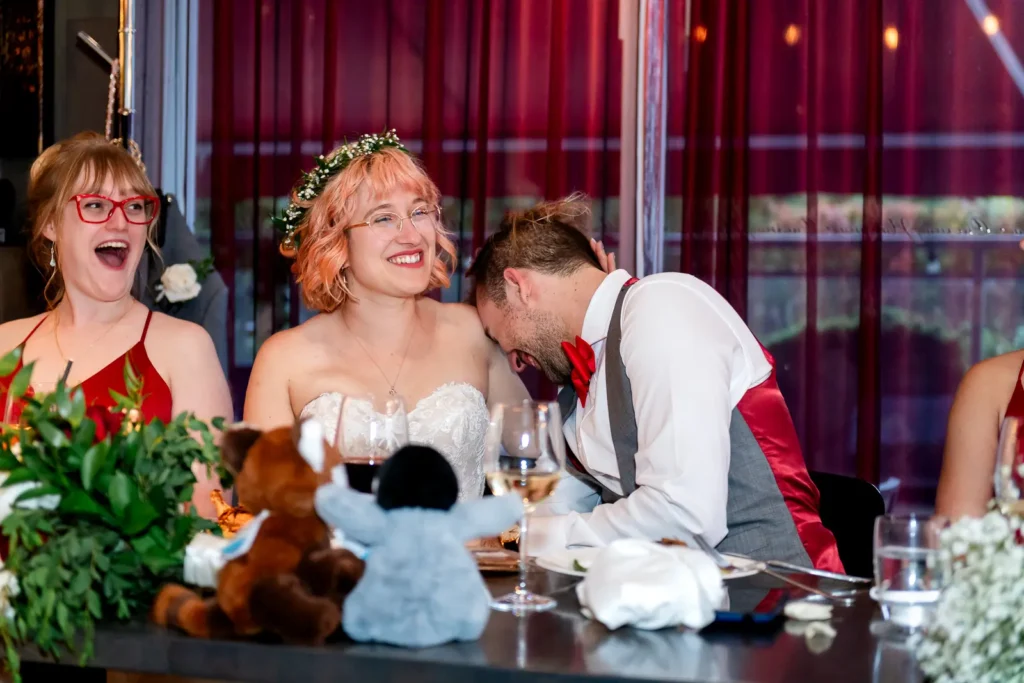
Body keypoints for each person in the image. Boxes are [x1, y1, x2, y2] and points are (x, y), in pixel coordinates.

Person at [468, 193, 844, 572]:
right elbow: (556, 507)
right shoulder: (578, 388)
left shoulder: (661, 307)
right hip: (676, 594)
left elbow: (685, 516)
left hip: (780, 590)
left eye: (498, 334)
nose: (513, 359)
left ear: (519, 286)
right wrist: (491, 537)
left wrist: (534, 536)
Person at [243, 130, 533, 501]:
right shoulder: (283, 360)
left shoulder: (473, 331)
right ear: (336, 241)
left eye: (419, 212)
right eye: (383, 218)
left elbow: (541, 457)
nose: (411, 235)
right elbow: (263, 507)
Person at [0, 131, 231, 519]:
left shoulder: (185, 348)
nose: (121, 222)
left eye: (135, 206)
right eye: (95, 205)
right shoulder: (4, 345)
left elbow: (208, 513)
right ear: (50, 224)